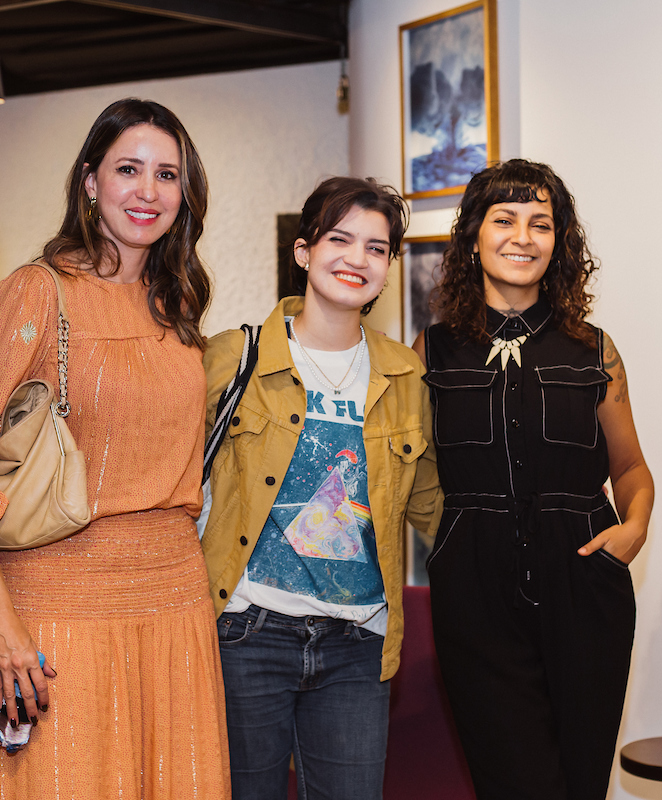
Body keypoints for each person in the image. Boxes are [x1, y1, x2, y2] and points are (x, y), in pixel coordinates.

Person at [0, 98, 229, 799]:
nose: (148, 191)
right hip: (59, 608)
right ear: (89, 181)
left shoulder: (177, 303)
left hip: (176, 606)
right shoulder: (34, 295)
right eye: (128, 169)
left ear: (184, 194)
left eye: (167, 175)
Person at [413, 159, 654, 800]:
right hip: (475, 597)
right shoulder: (430, 352)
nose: (523, 236)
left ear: (559, 243)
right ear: (473, 237)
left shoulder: (594, 350)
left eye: (541, 224)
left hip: (585, 584)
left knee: (579, 783)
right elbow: (403, 472)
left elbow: (630, 467)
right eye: (505, 219)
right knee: (513, 783)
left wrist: (632, 530)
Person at [199, 176, 442, 800]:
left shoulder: (406, 375)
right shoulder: (233, 359)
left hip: (358, 641)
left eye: (376, 248)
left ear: (389, 268)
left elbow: (432, 505)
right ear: (304, 252)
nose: (356, 259)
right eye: (340, 239)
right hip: (247, 632)